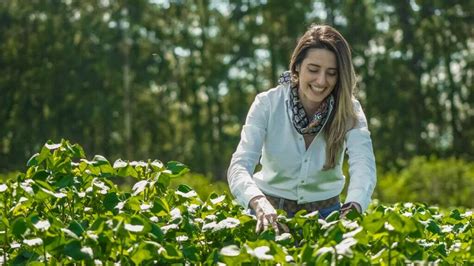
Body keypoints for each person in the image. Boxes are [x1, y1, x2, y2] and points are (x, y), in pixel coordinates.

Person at [227, 24, 376, 234]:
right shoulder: (267, 104)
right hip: (269, 216)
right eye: (313, 70)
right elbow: (239, 165)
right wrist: (258, 202)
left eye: (331, 73)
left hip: (328, 218)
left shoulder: (350, 110)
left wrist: (354, 206)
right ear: (296, 66)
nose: (321, 81)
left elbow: (364, 166)